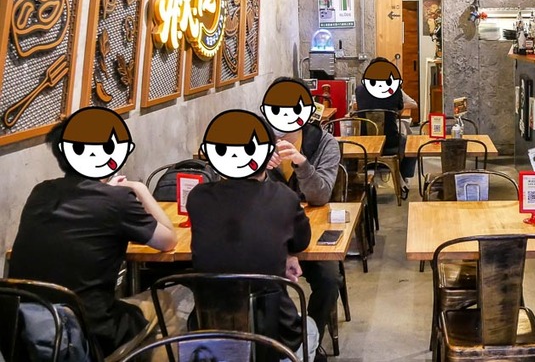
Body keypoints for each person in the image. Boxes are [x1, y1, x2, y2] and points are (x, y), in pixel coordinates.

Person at [9, 108, 177, 356]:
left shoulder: (40, 192)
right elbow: (168, 240)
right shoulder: (117, 201)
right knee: (164, 304)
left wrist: (109, 191)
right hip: (86, 332)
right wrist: (139, 189)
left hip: (25, 329)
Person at [188, 109, 319, 361]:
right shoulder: (283, 196)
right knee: (310, 328)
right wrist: (286, 254)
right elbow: (301, 241)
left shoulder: (198, 197)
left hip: (210, 334)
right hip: (274, 336)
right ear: (269, 154)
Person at [261, 77, 341, 357]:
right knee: (251, 277)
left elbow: (321, 195)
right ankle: (272, 340)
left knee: (330, 280)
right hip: (266, 234)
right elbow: (241, 194)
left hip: (310, 233)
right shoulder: (255, 142)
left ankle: (309, 342)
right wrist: (257, 169)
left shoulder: (324, 144)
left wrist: (302, 163)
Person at [354, 57, 417, 193]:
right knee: (411, 142)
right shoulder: (394, 89)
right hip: (390, 142)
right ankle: (403, 177)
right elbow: (400, 110)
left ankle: (356, 179)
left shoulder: (359, 90)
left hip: (364, 142)